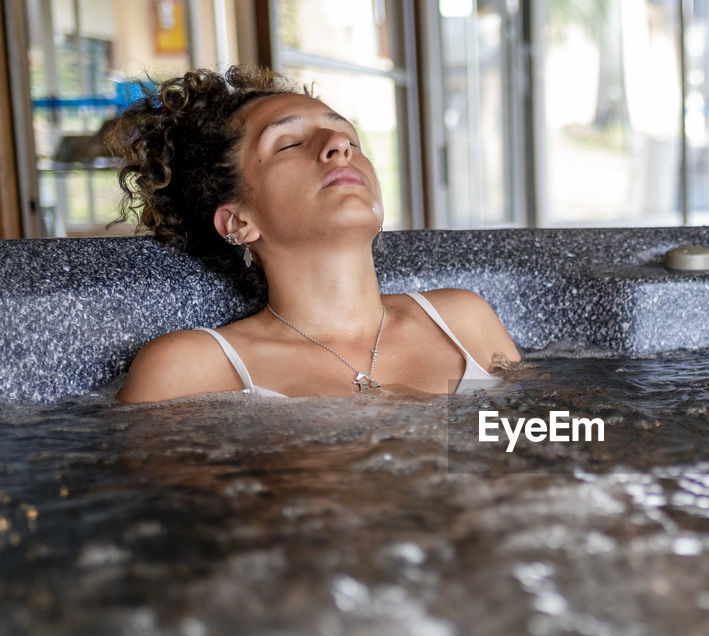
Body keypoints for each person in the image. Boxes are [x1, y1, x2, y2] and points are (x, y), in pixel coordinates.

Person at [110, 66, 520, 402]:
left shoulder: (463, 321)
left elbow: (540, 448)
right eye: (288, 144)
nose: (339, 144)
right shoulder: (189, 367)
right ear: (238, 222)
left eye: (350, 139)